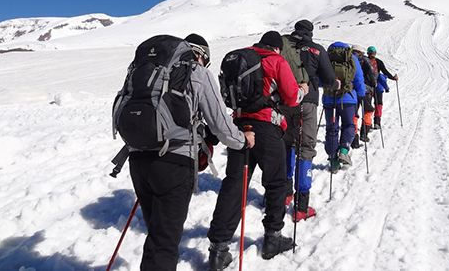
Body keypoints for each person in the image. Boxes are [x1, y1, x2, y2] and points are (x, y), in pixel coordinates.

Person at [127, 34, 255, 271]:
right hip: (175, 163)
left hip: (137, 158)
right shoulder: (197, 71)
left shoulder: (147, 69)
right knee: (164, 242)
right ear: (203, 56)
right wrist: (242, 141)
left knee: (157, 234)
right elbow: (220, 124)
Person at [207, 31, 308, 269]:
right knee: (276, 183)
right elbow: (292, 98)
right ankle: (272, 237)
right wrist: (303, 89)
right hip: (266, 128)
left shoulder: (240, 58)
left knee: (234, 184)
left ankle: (218, 248)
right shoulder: (275, 60)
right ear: (276, 47)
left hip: (240, 127)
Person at [280, 19, 337, 222]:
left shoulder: (284, 45)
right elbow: (329, 79)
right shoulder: (316, 49)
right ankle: (301, 206)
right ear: (310, 32)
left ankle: (284, 194)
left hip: (285, 101)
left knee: (288, 144)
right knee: (306, 147)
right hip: (308, 103)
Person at [322, 42, 365, 172]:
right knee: (349, 125)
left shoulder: (326, 58)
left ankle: (333, 159)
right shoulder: (352, 58)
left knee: (331, 129)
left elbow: (319, 78)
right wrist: (361, 94)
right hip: (348, 99)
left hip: (330, 99)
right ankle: (344, 150)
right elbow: (358, 78)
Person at [351, 44, 377, 146]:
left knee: (354, 113)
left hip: (352, 90)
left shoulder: (348, 59)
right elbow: (371, 74)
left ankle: (354, 139)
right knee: (368, 110)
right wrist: (374, 83)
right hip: (365, 90)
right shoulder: (365, 60)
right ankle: (364, 134)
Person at [367, 46, 398, 129]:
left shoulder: (364, 61)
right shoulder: (379, 62)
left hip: (367, 87)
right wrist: (393, 78)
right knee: (378, 104)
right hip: (377, 87)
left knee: (367, 105)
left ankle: (367, 125)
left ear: (368, 53)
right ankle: (377, 122)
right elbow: (385, 72)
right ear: (375, 53)